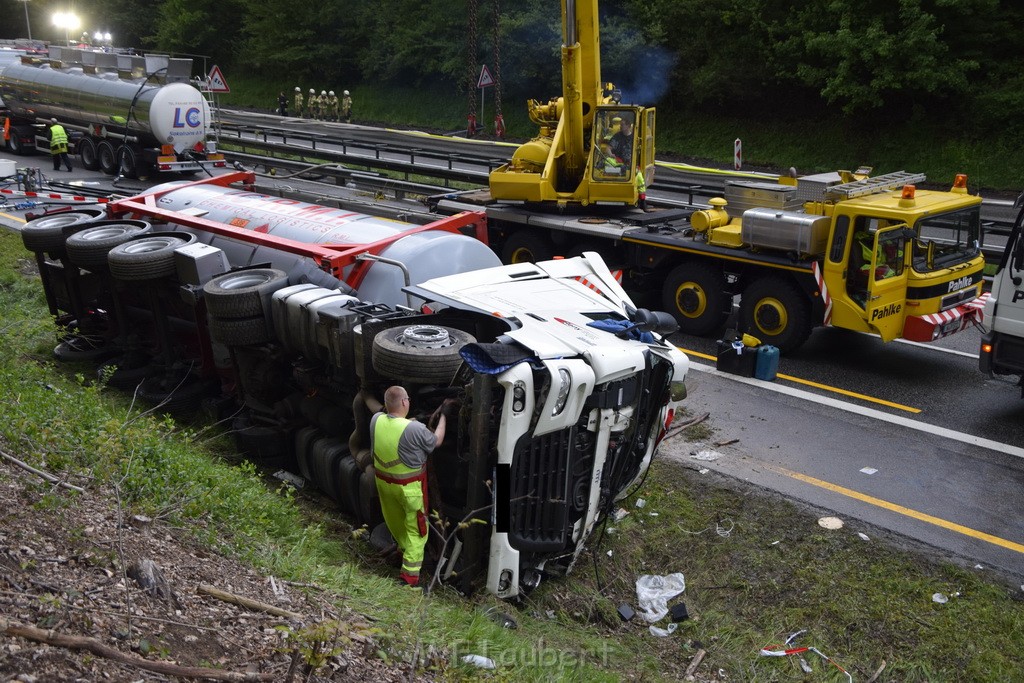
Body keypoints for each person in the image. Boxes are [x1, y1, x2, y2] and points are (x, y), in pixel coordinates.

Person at [370, 386, 449, 588]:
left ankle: (401, 553)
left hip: (384, 485)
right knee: (418, 532)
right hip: (409, 490)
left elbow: (395, 429)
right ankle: (409, 579)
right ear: (405, 402)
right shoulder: (415, 429)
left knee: (396, 523)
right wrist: (444, 418)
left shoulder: (376, 420)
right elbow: (437, 441)